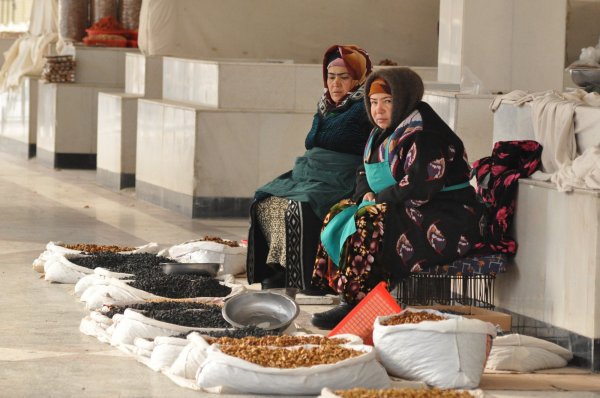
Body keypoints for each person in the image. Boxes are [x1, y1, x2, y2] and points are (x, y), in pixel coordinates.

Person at [310, 67, 487, 328]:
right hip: (402, 202)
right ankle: (345, 292)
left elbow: (419, 186)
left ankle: (358, 302)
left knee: (370, 219)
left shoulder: (424, 133)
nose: (378, 110)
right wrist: (366, 194)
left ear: (404, 99)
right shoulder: (382, 131)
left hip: (446, 214)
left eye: (387, 101)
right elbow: (363, 170)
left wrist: (378, 200)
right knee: (340, 211)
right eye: (373, 102)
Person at [246, 44, 373, 291]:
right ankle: (279, 270)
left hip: (341, 177)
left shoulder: (365, 107)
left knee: (301, 206)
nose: (335, 84)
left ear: (358, 78)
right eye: (331, 76)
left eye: (344, 77)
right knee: (265, 199)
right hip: (311, 173)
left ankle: (308, 278)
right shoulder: (326, 105)